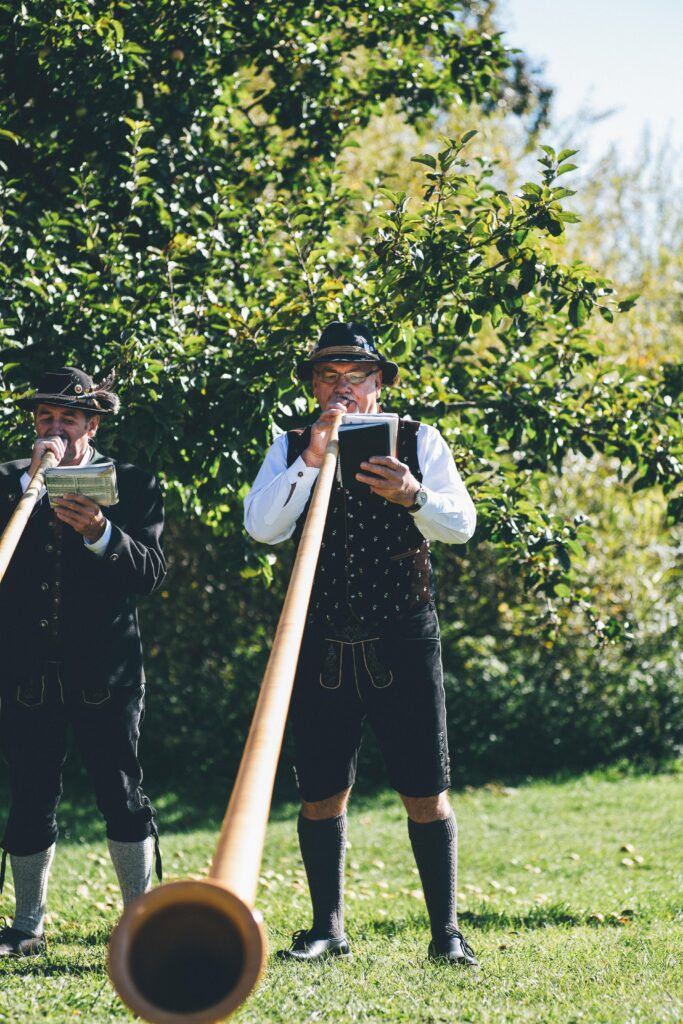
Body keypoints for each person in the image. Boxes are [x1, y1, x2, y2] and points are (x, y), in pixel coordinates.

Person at [244, 322, 478, 966]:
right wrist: (311, 460)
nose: (341, 388)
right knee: (319, 791)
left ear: (378, 383)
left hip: (403, 634)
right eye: (328, 376)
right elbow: (263, 528)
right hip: (319, 638)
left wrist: (413, 494)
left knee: (426, 790)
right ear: (314, 385)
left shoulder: (419, 438)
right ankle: (328, 928)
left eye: (355, 377)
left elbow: (461, 525)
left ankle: (446, 932)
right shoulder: (290, 442)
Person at [0, 367, 166, 957]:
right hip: (26, 670)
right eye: (44, 418)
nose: (53, 427)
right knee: (29, 794)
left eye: (67, 418)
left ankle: (140, 921)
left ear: (91, 425)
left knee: (121, 792)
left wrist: (101, 532)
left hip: (106, 670)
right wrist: (24, 496)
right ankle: (26, 926)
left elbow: (149, 573)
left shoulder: (134, 482)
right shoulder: (4, 481)